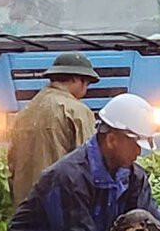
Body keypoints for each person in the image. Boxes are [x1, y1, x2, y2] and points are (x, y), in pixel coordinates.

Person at [1, 93, 160, 231]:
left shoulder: (134, 177)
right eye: (136, 144)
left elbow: (156, 225)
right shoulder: (68, 178)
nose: (139, 152)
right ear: (112, 139)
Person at [8, 53, 100, 199]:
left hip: (26, 206)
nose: (86, 89)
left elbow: (12, 165)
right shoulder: (77, 111)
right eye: (87, 83)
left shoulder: (25, 111)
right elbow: (91, 164)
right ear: (77, 79)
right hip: (62, 204)